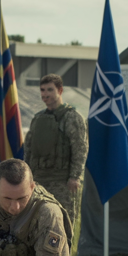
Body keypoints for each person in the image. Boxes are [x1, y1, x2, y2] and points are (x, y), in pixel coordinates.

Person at [23, 73, 88, 246]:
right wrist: (26, 178)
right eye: (42, 90)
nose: (45, 94)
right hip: (39, 181)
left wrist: (75, 176)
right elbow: (29, 150)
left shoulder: (72, 117)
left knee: (63, 224)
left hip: (62, 182)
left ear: (60, 90)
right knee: (38, 222)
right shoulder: (37, 119)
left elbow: (80, 149)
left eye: (50, 90)